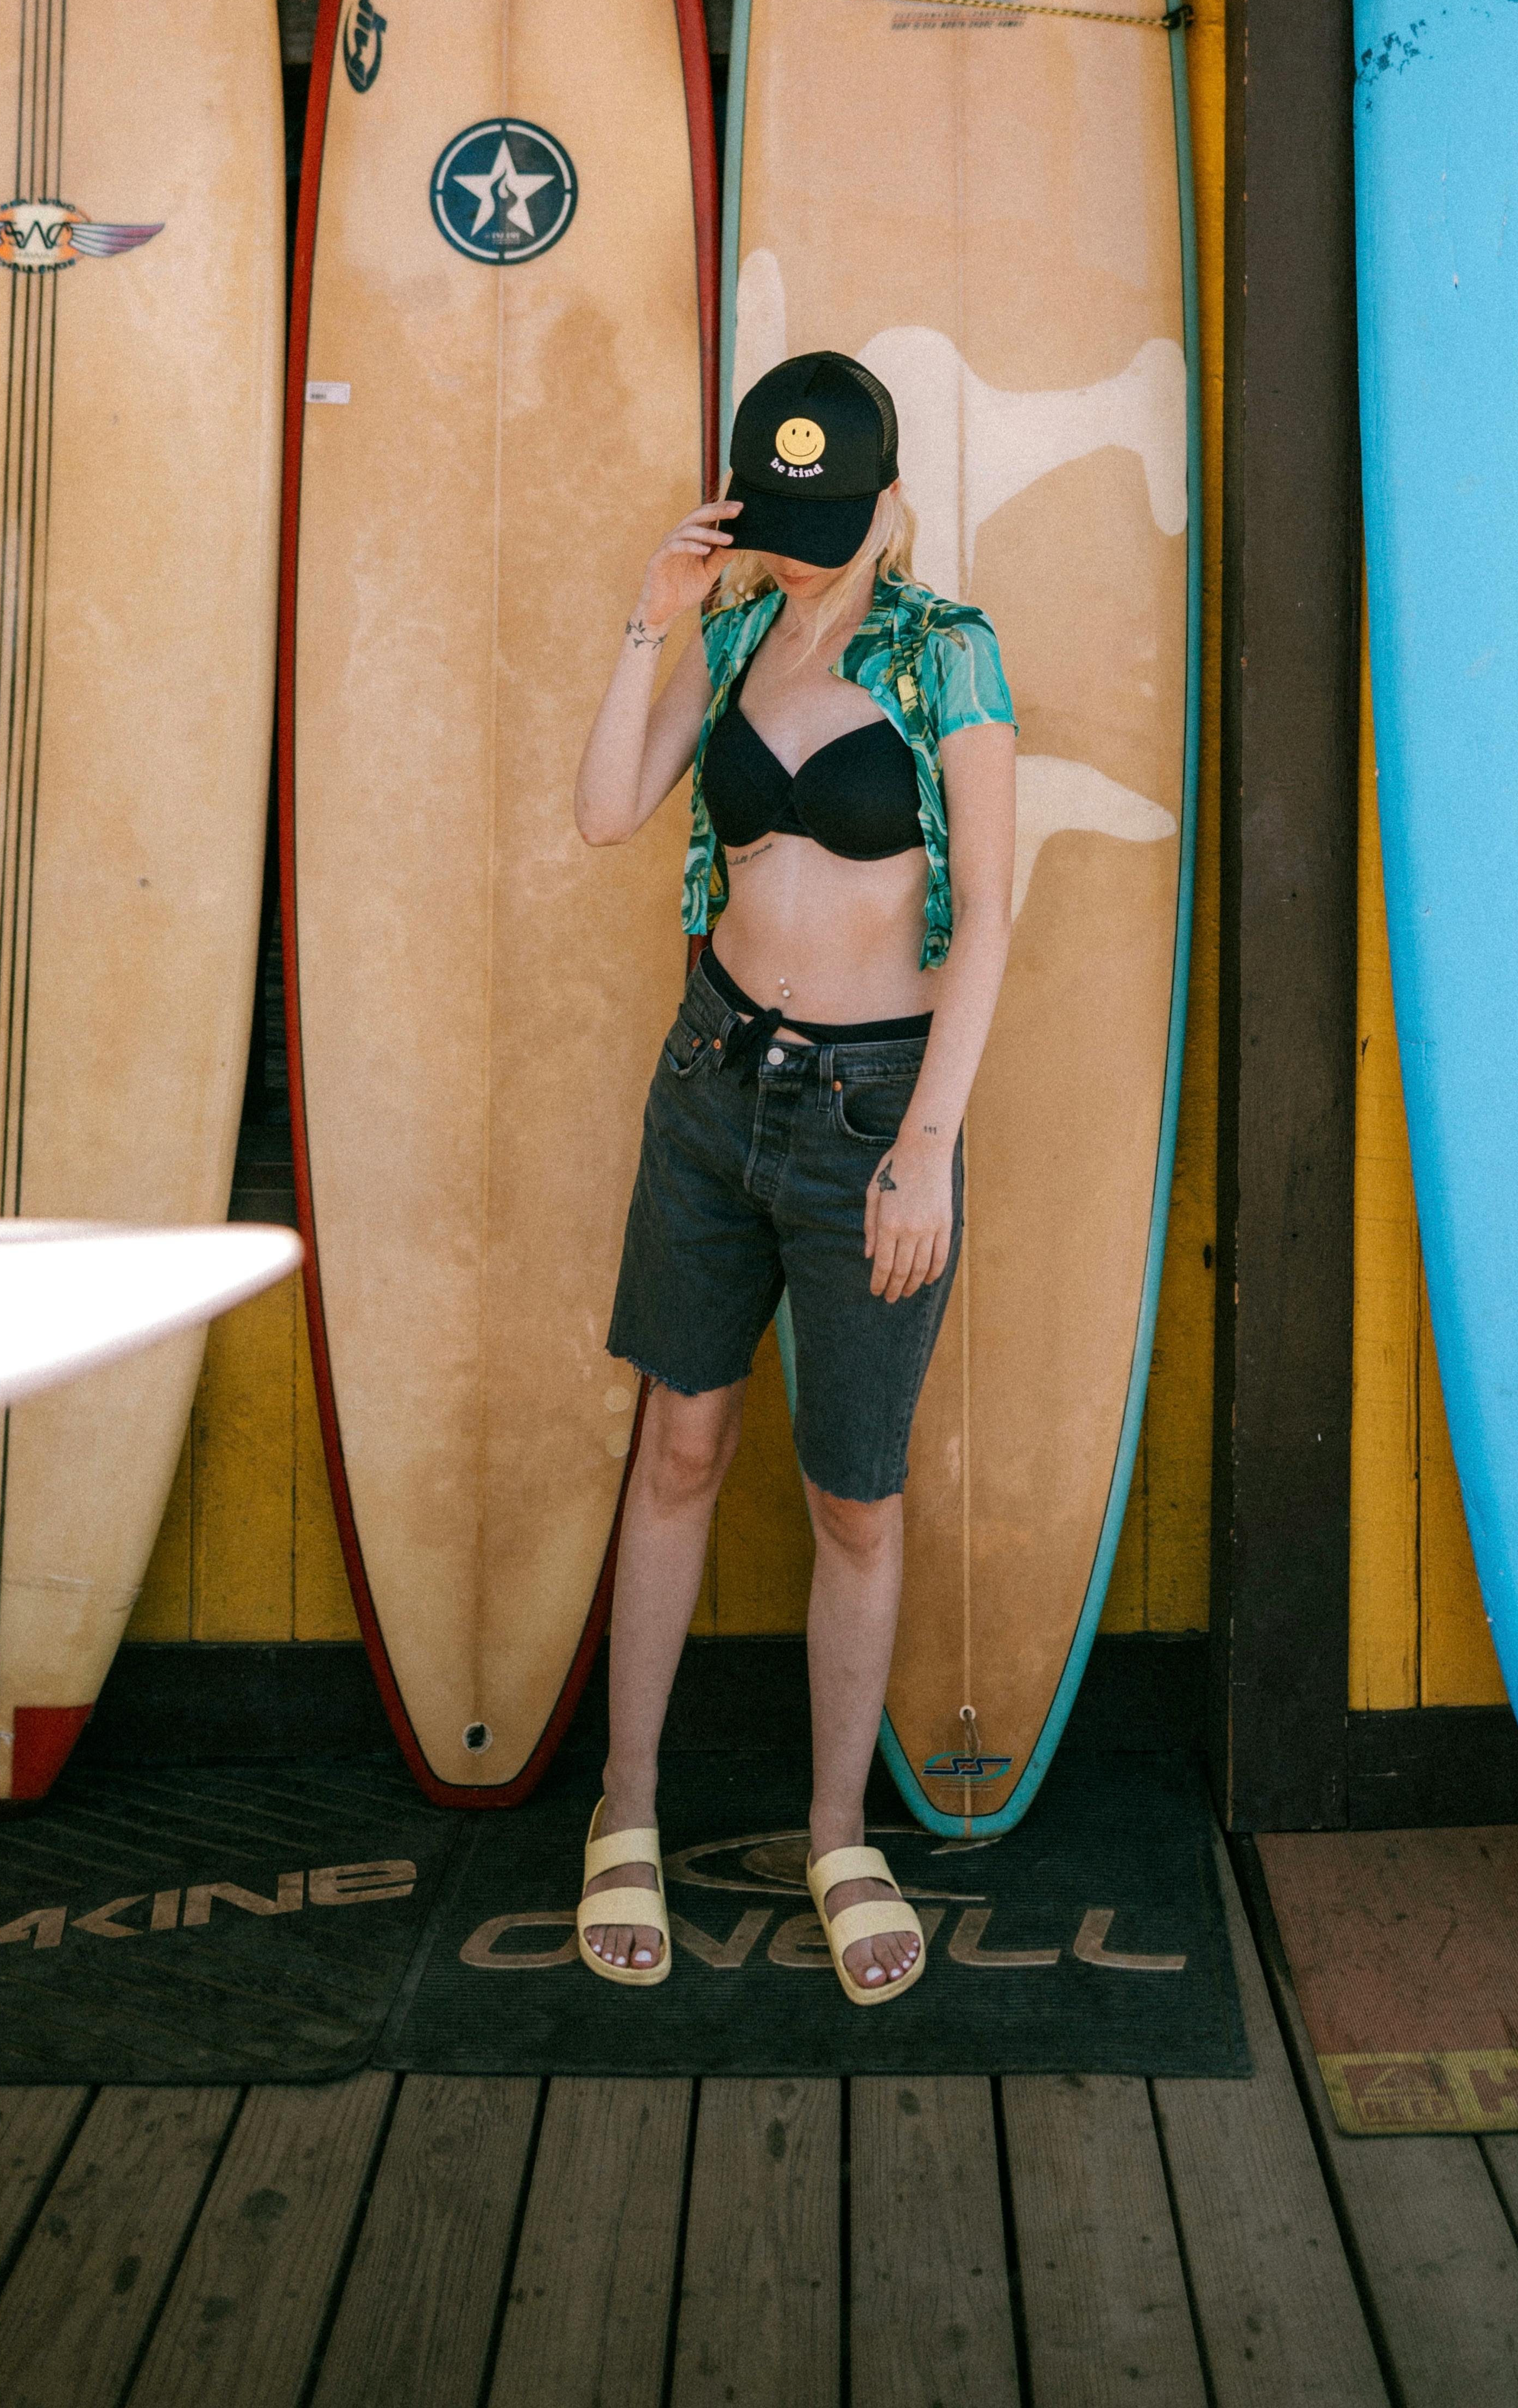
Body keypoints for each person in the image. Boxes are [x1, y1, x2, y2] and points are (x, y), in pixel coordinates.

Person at [572, 350, 1017, 2003]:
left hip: (868, 1118)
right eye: (791, 522)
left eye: (842, 523)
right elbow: (614, 809)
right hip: (711, 1081)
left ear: (892, 503)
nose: (817, 550)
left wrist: (926, 1151)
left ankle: (839, 1833)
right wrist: (655, 610)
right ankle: (628, 1806)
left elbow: (989, 927)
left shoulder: (947, 658)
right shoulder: (742, 630)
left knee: (854, 1490)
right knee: (679, 1442)